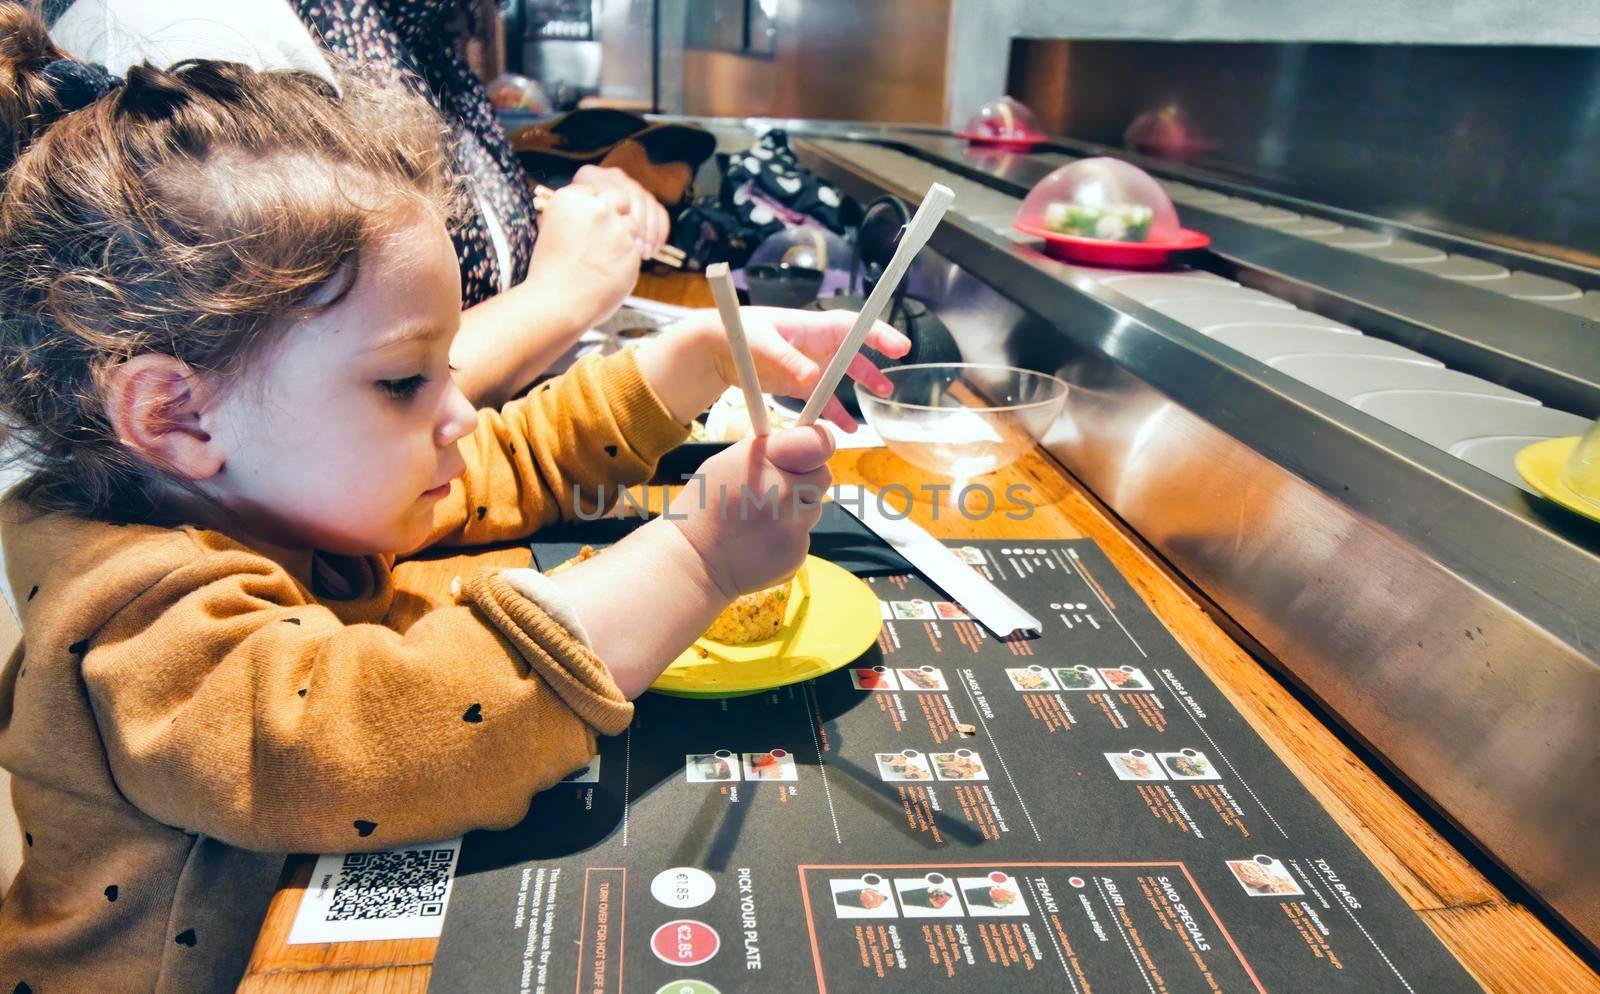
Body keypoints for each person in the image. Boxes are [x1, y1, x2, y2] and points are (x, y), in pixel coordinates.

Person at [0, 8, 908, 992]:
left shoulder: (282, 491)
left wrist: (683, 363)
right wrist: (696, 562)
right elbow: (379, 736)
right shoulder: (130, 618)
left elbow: (497, 461)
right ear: (176, 411)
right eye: (403, 383)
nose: (459, 413)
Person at [47, 0, 674, 407]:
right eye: (406, 383)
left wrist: (572, 222)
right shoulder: (179, 26)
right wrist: (561, 295)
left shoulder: (412, 30)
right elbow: (283, 406)